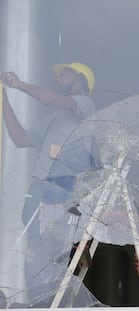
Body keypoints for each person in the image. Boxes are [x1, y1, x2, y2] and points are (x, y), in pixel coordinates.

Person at [1, 62, 97, 290]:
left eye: (63, 74)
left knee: (54, 253)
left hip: (63, 191)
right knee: (34, 253)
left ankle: (48, 299)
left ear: (78, 81)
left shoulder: (85, 105)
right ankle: (36, 299)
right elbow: (20, 138)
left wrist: (19, 84)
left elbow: (58, 100)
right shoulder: (55, 118)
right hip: (40, 190)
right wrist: (3, 95)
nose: (57, 78)